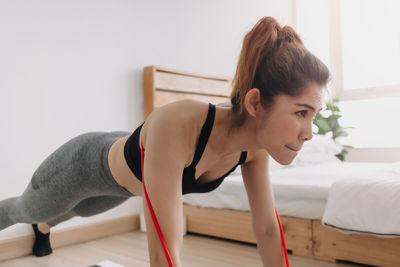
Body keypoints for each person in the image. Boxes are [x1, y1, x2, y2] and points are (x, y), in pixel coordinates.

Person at [0, 16, 329, 267]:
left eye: (313, 115)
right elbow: (164, 254)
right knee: (24, 209)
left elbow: (268, 231)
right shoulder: (179, 124)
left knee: (80, 210)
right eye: (301, 113)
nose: (309, 131)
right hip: (84, 163)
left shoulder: (255, 151)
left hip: (125, 184)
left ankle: (44, 225)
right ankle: (39, 222)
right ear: (255, 103)